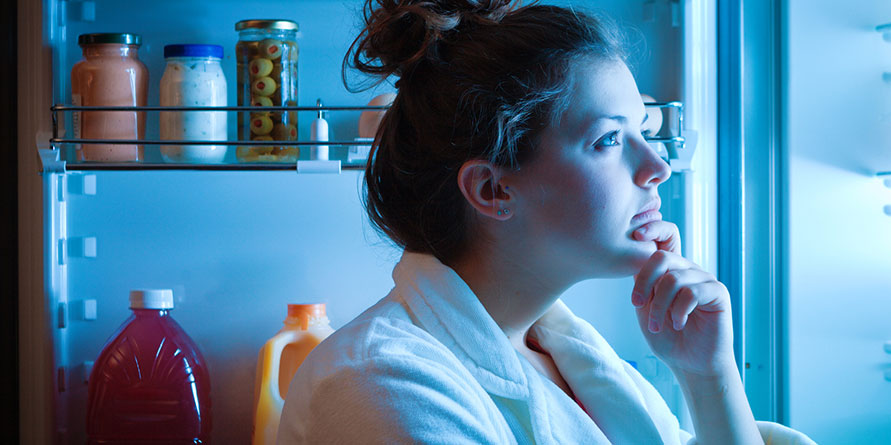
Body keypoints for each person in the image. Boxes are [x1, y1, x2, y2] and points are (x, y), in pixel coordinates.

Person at [278, 0, 816, 443]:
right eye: (608, 140)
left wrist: (708, 374)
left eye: (645, 132)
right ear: (493, 189)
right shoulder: (382, 386)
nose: (657, 167)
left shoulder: (564, 351)